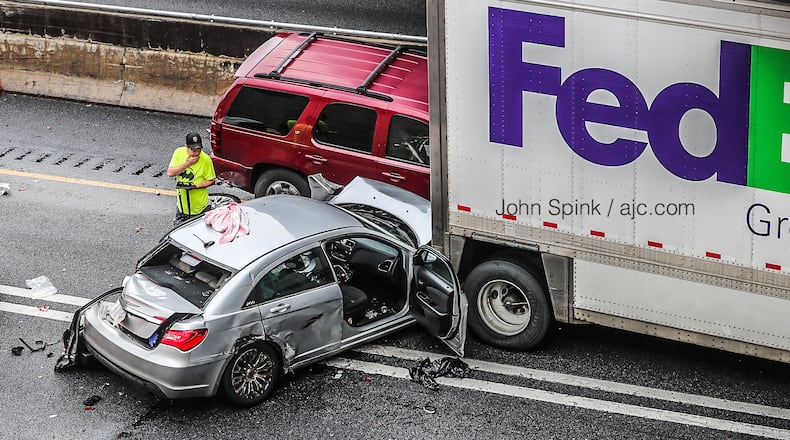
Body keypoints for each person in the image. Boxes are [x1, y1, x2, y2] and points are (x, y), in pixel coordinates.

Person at [167, 132, 216, 223]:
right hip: (182, 208)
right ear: (186, 146)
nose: (197, 153)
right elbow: (170, 173)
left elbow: (211, 180)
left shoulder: (206, 159)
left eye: (199, 149)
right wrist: (188, 163)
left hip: (200, 209)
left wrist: (196, 186)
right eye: (193, 150)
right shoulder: (179, 152)